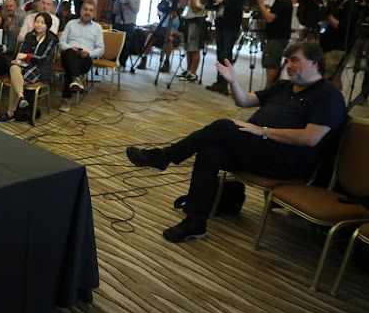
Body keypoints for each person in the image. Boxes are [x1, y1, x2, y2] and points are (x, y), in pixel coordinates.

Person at [126, 42, 346, 242]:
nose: (288, 65)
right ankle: (195, 223)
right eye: (287, 60)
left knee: (223, 126)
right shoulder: (283, 86)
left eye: (295, 60)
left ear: (315, 63)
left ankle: (163, 157)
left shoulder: (328, 95)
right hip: (258, 150)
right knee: (210, 153)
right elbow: (244, 100)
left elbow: (311, 138)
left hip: (285, 162)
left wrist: (263, 131)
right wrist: (232, 81)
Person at [0, 12, 59, 123]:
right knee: (14, 67)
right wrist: (18, 59)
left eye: (42, 23)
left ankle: (10, 113)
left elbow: (43, 59)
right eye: (37, 22)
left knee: (16, 81)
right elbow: (21, 51)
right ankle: (21, 97)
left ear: (48, 26)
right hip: (25, 65)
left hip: (40, 69)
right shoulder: (30, 35)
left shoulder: (51, 39)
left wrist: (27, 56)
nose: (39, 25)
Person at [58, 1, 104, 112]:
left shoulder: (97, 28)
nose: (87, 12)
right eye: (85, 9)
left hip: (85, 59)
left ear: (94, 14)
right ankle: (76, 79)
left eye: (91, 10)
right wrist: (70, 47)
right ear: (80, 10)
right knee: (70, 53)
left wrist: (89, 53)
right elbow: (61, 42)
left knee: (71, 66)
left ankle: (66, 98)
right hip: (68, 55)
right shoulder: (71, 23)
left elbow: (101, 49)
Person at [319, 0, 361, 90]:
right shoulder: (338, 1)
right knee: (328, 76)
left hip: (338, 47)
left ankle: (334, 103)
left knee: (333, 77)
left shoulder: (352, 4)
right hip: (328, 45)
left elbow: (339, 25)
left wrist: (327, 14)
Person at [207, 0, 244, 94]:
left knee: (226, 54)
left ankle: (226, 84)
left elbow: (238, 8)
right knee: (220, 54)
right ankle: (219, 81)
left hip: (231, 26)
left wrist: (223, 1)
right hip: (222, 24)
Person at [255, 0, 293, 87]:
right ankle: (272, 87)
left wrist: (261, 4)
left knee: (271, 63)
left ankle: (269, 88)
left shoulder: (282, 1)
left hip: (277, 38)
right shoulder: (282, 1)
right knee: (271, 62)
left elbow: (269, 18)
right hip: (277, 37)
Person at [178, 0, 206, 82]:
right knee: (188, 48)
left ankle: (193, 73)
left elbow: (195, 9)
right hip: (188, 21)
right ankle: (188, 70)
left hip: (196, 23)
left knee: (194, 48)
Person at [136, 7, 182, 72]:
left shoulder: (180, 20)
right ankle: (144, 58)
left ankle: (166, 62)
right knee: (151, 36)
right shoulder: (165, 16)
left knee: (169, 39)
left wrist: (174, 33)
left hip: (174, 38)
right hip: (162, 35)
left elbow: (182, 34)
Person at [112, 0, 141, 71]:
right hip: (119, 22)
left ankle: (123, 64)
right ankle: (114, 61)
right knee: (117, 43)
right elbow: (114, 11)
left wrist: (129, 1)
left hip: (129, 23)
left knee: (127, 44)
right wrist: (121, 8)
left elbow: (136, 10)